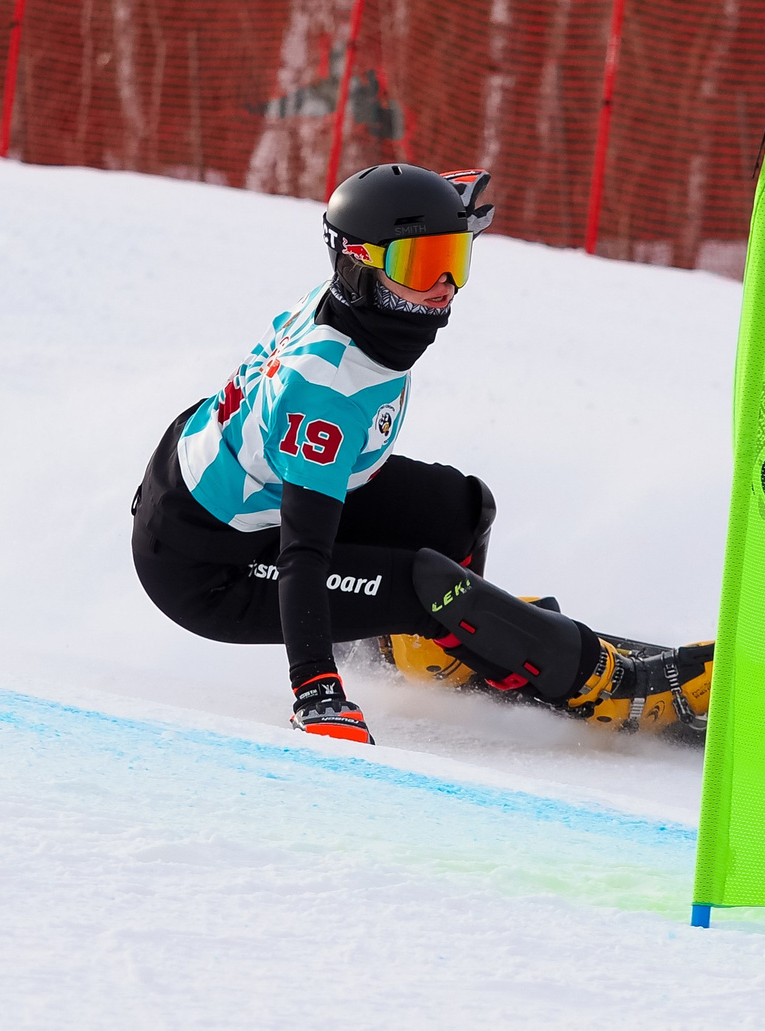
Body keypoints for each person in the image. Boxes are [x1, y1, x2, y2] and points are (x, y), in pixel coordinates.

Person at [129, 162, 713, 744]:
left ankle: (437, 643)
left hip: (237, 490)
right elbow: (302, 552)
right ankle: (608, 688)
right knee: (428, 585)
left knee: (460, 510)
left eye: (454, 261)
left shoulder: (360, 306)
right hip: (208, 565)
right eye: (421, 267)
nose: (445, 287)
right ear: (361, 267)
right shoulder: (327, 393)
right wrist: (316, 689)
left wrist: (438, 211)